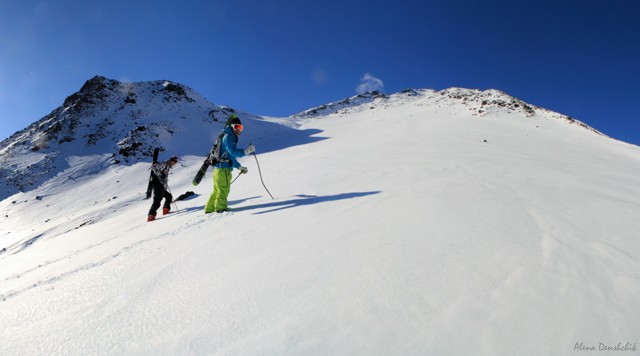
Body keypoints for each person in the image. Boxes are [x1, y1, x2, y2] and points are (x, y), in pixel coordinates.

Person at [205, 116, 255, 213]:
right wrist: (246, 151)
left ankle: (209, 209)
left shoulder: (227, 136)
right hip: (223, 170)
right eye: (236, 127)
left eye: (240, 128)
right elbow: (233, 152)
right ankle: (221, 209)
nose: (238, 130)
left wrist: (239, 167)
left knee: (217, 190)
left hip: (219, 169)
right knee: (223, 190)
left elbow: (230, 157)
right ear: (232, 126)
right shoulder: (228, 137)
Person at [147, 155, 178, 222]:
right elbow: (154, 167)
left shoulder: (167, 167)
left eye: (174, 163)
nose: (173, 164)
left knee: (168, 196)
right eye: (172, 162)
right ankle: (151, 215)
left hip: (161, 185)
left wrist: (164, 182)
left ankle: (165, 209)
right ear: (170, 161)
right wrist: (160, 176)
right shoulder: (164, 164)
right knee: (157, 200)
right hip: (157, 184)